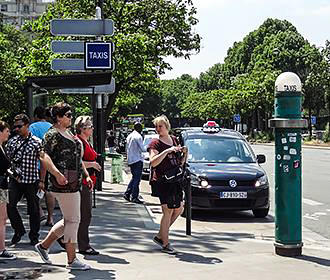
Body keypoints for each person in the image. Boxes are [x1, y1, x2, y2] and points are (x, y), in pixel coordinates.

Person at [35, 102, 93, 270]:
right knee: (73, 220)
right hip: (62, 183)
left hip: (73, 182)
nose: (71, 117)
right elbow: (43, 156)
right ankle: (71, 259)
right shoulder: (52, 134)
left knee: (69, 220)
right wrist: (56, 174)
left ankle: (44, 246)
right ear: (58, 118)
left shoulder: (66, 132)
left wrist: (86, 175)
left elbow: (76, 158)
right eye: (68, 115)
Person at [148, 115, 187, 254]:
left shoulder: (174, 139)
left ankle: (161, 235)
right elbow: (152, 162)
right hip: (162, 180)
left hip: (175, 180)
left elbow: (181, 162)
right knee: (168, 210)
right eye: (156, 127)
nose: (158, 129)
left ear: (167, 126)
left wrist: (184, 153)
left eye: (161, 126)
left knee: (179, 208)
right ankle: (166, 243)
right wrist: (166, 151)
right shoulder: (155, 143)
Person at [6, 114, 44, 246]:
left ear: (27, 125)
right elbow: (7, 161)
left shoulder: (36, 142)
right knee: (9, 205)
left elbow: (43, 162)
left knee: (34, 210)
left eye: (19, 126)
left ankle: (34, 235)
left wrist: (42, 180)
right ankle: (19, 230)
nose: (16, 129)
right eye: (15, 126)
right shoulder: (12, 141)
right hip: (15, 180)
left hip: (31, 180)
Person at [75, 116, 101, 255]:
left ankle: (63, 237)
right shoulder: (79, 142)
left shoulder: (85, 141)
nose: (92, 128)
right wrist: (93, 164)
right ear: (82, 129)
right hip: (83, 182)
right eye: (90, 126)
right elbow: (77, 162)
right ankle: (83, 245)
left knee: (80, 215)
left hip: (87, 181)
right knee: (85, 215)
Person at [29, 106, 55, 227]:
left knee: (35, 189)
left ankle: (39, 212)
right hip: (51, 164)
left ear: (35, 116)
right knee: (49, 191)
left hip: (37, 164)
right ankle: (50, 218)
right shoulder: (51, 127)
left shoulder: (32, 127)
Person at [0, 121, 16, 260]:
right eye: (6, 131)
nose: (9, 133)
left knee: (3, 218)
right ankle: (1, 249)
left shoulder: (2, 147)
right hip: (0, 187)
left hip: (3, 185)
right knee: (2, 218)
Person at [123, 122, 146, 204]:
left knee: (134, 178)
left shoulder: (130, 136)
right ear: (139, 128)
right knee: (137, 179)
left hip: (131, 159)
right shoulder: (138, 136)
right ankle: (134, 197)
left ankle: (127, 193)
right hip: (137, 159)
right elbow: (143, 149)